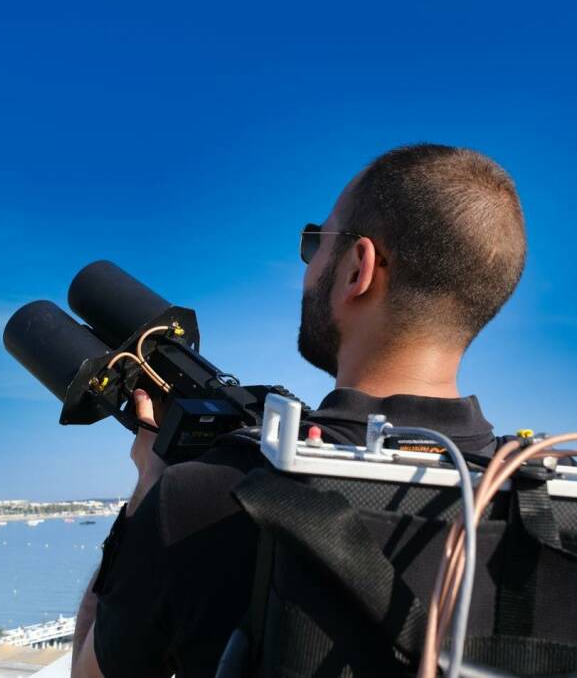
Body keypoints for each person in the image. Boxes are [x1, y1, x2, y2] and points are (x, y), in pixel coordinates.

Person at [71, 143, 527, 677]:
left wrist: (148, 491)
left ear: (359, 267)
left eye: (316, 243)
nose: (308, 268)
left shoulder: (204, 499)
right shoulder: (541, 502)